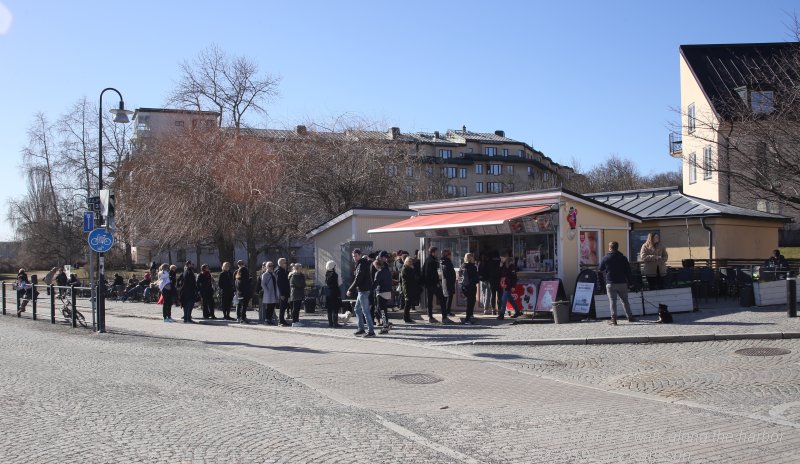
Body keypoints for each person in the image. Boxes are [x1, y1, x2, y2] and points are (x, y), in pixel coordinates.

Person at [599, 241, 636, 325]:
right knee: (625, 300)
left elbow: (601, 269)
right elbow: (628, 271)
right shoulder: (623, 258)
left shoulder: (606, 258)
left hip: (611, 283)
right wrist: (631, 282)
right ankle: (630, 317)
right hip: (622, 282)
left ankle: (614, 319)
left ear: (610, 248)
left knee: (612, 301)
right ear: (617, 247)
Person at [347, 248, 375, 337]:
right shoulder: (360, 264)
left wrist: (350, 289)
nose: (354, 258)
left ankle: (371, 331)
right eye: (353, 256)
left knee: (365, 311)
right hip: (361, 290)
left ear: (360, 255)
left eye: (356, 256)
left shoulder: (362, 264)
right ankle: (361, 329)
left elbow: (358, 278)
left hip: (363, 291)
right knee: (357, 309)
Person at [422, 246, 449, 323]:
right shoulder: (433, 261)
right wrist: (437, 283)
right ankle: (444, 317)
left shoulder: (427, 260)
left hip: (428, 284)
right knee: (442, 299)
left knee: (430, 300)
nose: (437, 253)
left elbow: (423, 272)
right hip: (433, 284)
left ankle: (430, 316)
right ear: (433, 252)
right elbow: (434, 274)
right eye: (436, 252)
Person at [497, 252, 522, 319]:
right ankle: (517, 311)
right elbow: (499, 274)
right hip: (504, 284)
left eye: (502, 258)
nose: (501, 259)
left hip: (508, 285)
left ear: (505, 257)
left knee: (503, 299)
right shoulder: (503, 265)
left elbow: (514, 277)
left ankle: (502, 314)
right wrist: (500, 266)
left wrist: (513, 286)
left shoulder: (511, 265)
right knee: (510, 299)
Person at [372, 258, 392, 334]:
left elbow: (376, 283)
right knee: (380, 309)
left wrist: (371, 290)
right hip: (388, 292)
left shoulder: (379, 272)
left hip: (381, 292)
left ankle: (385, 327)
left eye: (374, 265)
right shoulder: (387, 271)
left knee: (382, 310)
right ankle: (386, 322)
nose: (374, 267)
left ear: (377, 265)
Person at [400, 257, 420, 323]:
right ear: (406, 262)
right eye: (410, 261)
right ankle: (406, 318)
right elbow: (410, 277)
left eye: (411, 261)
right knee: (407, 303)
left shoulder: (408, 268)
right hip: (407, 288)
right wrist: (412, 270)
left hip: (410, 287)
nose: (411, 263)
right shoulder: (405, 268)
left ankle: (407, 317)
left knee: (409, 303)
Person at [461, 252, 479, 324]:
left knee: (469, 302)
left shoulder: (463, 265)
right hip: (471, 287)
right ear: (471, 258)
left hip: (464, 286)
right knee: (470, 302)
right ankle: (467, 319)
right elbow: (476, 278)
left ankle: (469, 316)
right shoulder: (472, 267)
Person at [324, 261, 342, 328]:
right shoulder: (335, 274)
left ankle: (330, 323)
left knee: (329, 308)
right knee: (335, 308)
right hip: (334, 291)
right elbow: (339, 283)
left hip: (328, 292)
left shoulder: (327, 274)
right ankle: (335, 323)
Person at [440, 249, 457, 318]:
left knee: (449, 297)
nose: (451, 256)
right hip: (448, 282)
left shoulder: (445, 262)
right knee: (448, 297)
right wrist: (452, 278)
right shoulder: (445, 262)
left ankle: (448, 311)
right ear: (447, 255)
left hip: (448, 282)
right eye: (450, 254)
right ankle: (447, 311)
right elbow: (447, 273)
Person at [274, 258, 291, 326]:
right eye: (285, 263)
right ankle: (280, 321)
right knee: (282, 307)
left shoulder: (283, 270)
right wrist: (281, 294)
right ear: (280, 263)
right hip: (282, 293)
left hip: (285, 291)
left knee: (284, 307)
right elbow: (279, 283)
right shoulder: (279, 271)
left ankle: (282, 320)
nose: (286, 264)